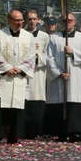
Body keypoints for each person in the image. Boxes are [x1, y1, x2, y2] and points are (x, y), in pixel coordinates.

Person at [0, 10, 35, 144]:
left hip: (19, 77)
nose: (20, 23)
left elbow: (31, 55)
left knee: (17, 106)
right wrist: (6, 68)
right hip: (4, 77)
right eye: (17, 20)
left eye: (21, 20)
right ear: (9, 20)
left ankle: (14, 135)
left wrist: (20, 68)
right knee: (1, 105)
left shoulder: (28, 36)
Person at [46, 13, 81, 142]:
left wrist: (73, 52)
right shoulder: (54, 38)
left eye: (70, 21)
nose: (67, 23)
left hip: (76, 76)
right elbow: (49, 58)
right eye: (64, 21)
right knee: (60, 105)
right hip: (60, 77)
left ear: (75, 22)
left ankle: (75, 132)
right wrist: (59, 73)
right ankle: (61, 132)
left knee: (74, 104)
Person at [22, 9, 50, 139]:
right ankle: (23, 129)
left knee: (37, 100)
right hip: (24, 72)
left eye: (34, 19)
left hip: (38, 72)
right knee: (24, 100)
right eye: (29, 19)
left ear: (38, 20)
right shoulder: (21, 34)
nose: (32, 21)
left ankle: (37, 130)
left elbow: (48, 56)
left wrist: (37, 57)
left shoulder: (44, 36)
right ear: (26, 20)